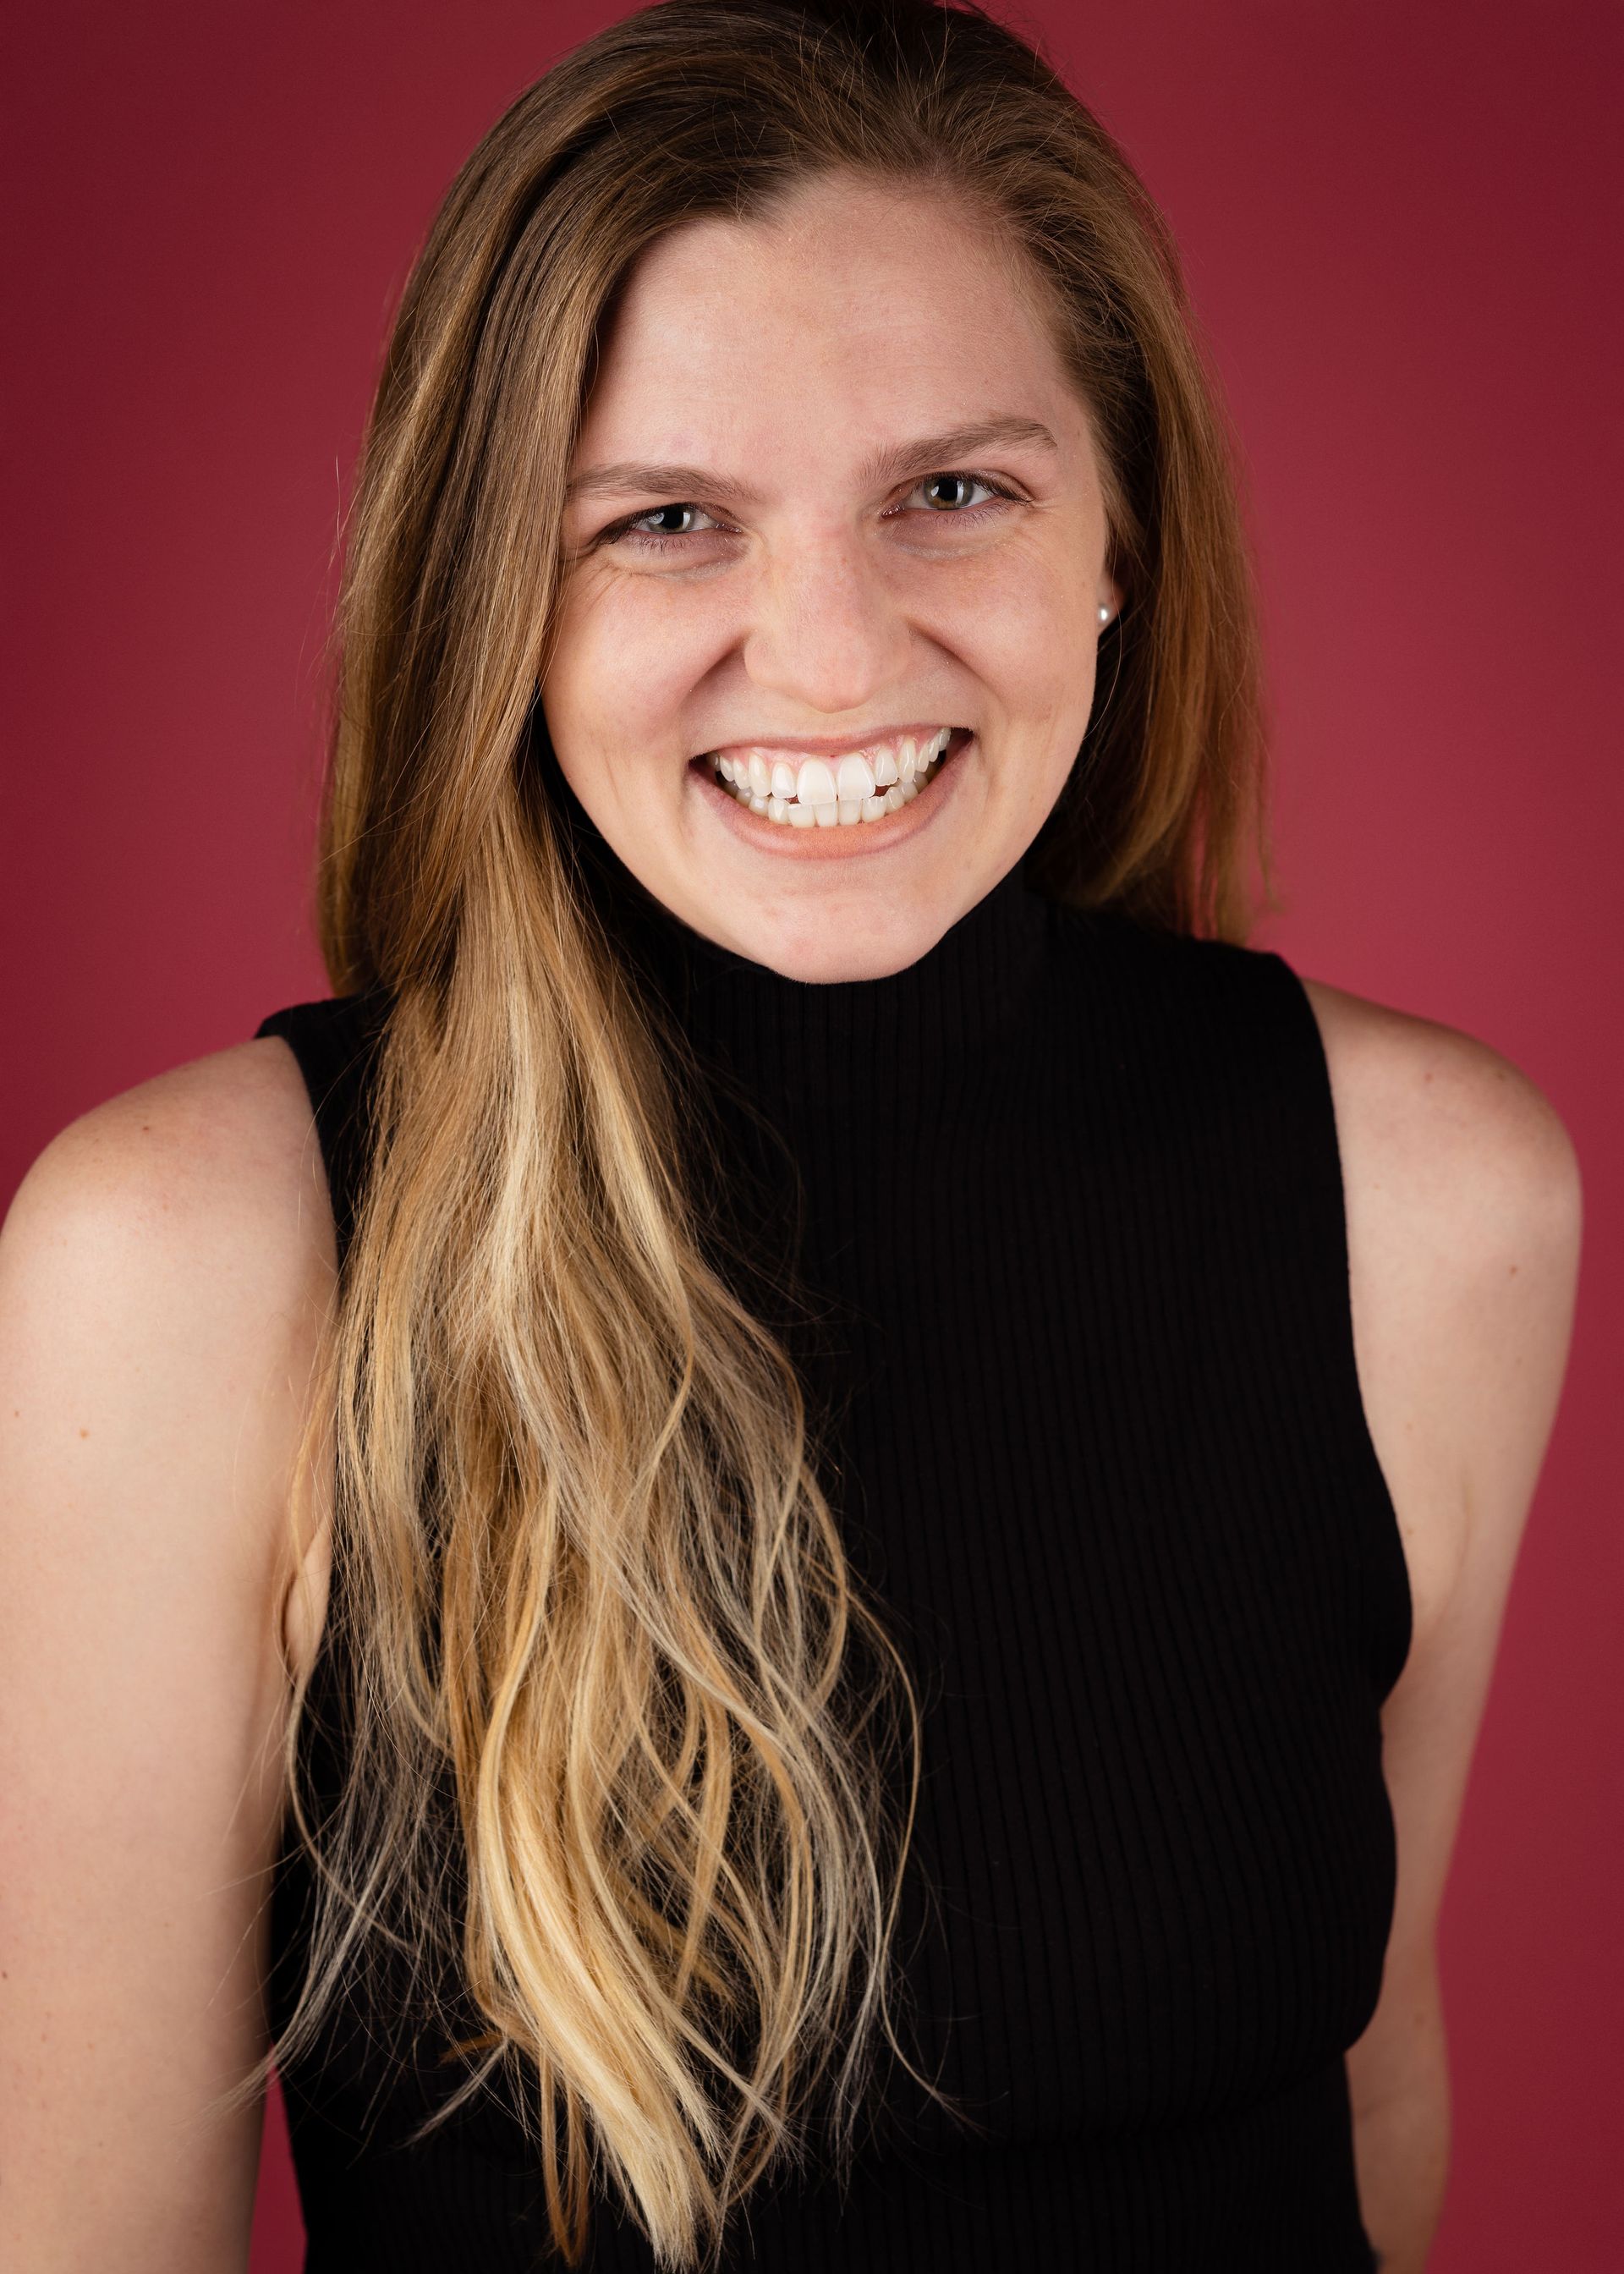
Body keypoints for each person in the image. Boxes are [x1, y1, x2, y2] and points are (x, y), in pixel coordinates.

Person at [0, 1, 1581, 2268]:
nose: (832, 659)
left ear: (1121, 534)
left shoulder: (1433, 1195)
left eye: (954, 493)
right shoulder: (195, 1266)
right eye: (666, 523)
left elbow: (1367, 2081)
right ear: (498, 599)